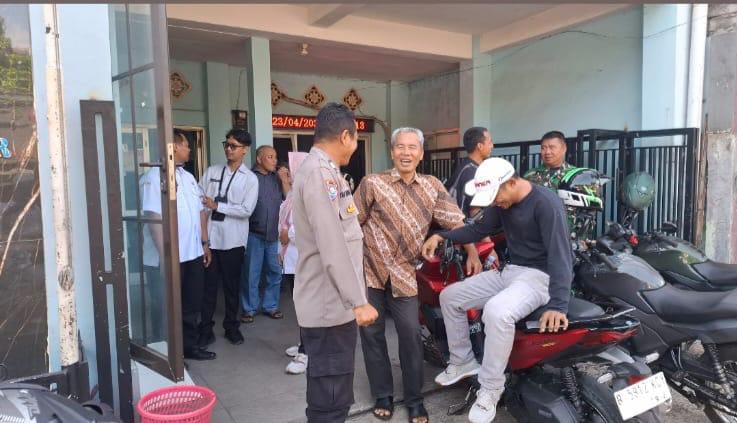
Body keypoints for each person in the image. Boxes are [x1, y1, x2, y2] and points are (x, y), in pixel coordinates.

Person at [421, 157, 573, 423]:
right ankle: (462, 361)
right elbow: (477, 230)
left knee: (496, 312)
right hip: (510, 271)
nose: (494, 202)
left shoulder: (546, 204)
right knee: (450, 296)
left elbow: (561, 256)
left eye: (495, 196)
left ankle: (491, 389)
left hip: (539, 277)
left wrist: (558, 305)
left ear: (511, 182)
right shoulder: (502, 203)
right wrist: (441, 236)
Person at [354, 127, 479, 423]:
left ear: (421, 154)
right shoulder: (372, 183)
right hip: (369, 271)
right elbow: (351, 223)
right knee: (372, 335)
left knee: (410, 335)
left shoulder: (432, 186)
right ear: (392, 151)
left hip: (405, 274)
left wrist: (472, 252)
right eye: (400, 147)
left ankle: (414, 399)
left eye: (412, 147)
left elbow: (456, 221)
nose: (406, 153)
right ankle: (382, 395)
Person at [292, 102, 378, 422]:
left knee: (335, 393)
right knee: (330, 400)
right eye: (355, 140)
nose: (354, 148)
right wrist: (358, 301)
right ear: (345, 136)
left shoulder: (325, 170)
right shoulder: (319, 174)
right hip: (329, 306)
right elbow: (332, 243)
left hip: (333, 304)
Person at [140, 130, 215, 360]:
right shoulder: (154, 177)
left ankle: (188, 348)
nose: (189, 149)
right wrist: (166, 255)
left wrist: (205, 244)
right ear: (173, 147)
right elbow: (153, 218)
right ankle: (165, 354)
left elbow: (201, 212)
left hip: (192, 253)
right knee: (165, 306)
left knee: (191, 302)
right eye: (186, 145)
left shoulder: (188, 177)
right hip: (169, 256)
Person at [198, 129, 258, 346]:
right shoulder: (212, 172)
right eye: (227, 144)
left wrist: (218, 206)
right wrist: (203, 239)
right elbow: (199, 199)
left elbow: (246, 210)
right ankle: (205, 329)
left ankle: (232, 327)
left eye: (234, 146)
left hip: (233, 242)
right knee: (208, 288)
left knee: (232, 288)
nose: (229, 149)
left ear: (245, 150)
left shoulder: (250, 179)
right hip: (211, 240)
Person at [241, 145, 291, 323]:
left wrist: (284, 180)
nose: (274, 160)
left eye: (275, 157)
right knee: (251, 274)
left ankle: (270, 306)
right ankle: (249, 308)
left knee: (275, 272)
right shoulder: (249, 178)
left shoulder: (276, 178)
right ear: (259, 159)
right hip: (253, 234)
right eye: (270, 157)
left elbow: (289, 200)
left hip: (274, 236)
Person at [279, 152, 310, 375]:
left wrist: (287, 235)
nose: (286, 174)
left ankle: (306, 353)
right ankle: (304, 343)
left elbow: (308, 228)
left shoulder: (308, 196)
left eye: (290, 170)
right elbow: (282, 222)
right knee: (299, 305)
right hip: (291, 258)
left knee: (306, 307)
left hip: (304, 260)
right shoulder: (293, 195)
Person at [445, 127, 493, 217]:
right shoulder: (472, 172)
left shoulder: (466, 167)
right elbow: (475, 212)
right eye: (490, 142)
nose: (492, 146)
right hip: (463, 223)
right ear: (480, 146)